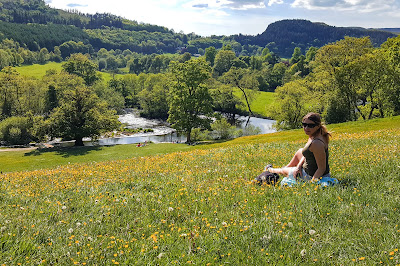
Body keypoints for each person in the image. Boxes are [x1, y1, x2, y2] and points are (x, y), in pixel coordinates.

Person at [264, 112, 338, 187]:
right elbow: (306, 154)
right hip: (309, 167)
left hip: (311, 175)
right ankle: (288, 168)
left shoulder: (317, 143)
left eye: (310, 125)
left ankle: (270, 170)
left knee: (283, 171)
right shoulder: (315, 134)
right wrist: (299, 166)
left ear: (318, 126)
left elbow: (322, 168)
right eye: (304, 124)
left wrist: (312, 183)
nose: (306, 128)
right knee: (300, 151)